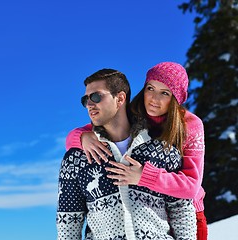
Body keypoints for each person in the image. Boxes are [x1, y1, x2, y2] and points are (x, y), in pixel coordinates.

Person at [66, 62, 207, 240]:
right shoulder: (133, 113)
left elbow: (191, 187)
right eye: (150, 88)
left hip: (188, 213)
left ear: (176, 99)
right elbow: (76, 135)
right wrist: (81, 137)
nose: (154, 99)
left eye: (165, 93)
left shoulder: (190, 125)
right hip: (146, 210)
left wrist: (144, 176)